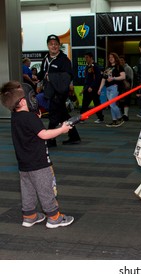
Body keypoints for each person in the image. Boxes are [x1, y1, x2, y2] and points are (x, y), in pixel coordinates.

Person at [0, 80, 74, 228]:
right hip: (39, 164)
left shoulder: (16, 117)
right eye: (31, 98)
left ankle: (29, 216)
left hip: (24, 165)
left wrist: (35, 118)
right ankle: (54, 217)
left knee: (28, 190)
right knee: (45, 189)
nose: (34, 100)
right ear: (22, 101)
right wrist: (62, 129)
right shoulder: (30, 118)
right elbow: (44, 134)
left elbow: (29, 130)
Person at [37, 34, 81, 147]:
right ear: (48, 46)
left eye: (56, 44)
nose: (53, 46)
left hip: (59, 93)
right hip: (49, 92)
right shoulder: (46, 59)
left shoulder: (64, 60)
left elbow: (67, 76)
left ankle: (50, 140)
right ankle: (74, 136)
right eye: (51, 44)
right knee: (63, 116)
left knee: (53, 116)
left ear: (59, 45)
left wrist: (51, 77)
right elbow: (42, 73)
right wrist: (37, 78)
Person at [98, 52, 125, 127]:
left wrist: (113, 78)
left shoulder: (119, 67)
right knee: (111, 104)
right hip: (108, 88)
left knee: (112, 104)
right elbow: (103, 79)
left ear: (115, 58)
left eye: (112, 57)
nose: (110, 59)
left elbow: (123, 76)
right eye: (109, 57)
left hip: (115, 87)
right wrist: (100, 89)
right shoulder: (107, 68)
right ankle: (114, 120)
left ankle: (120, 118)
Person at [81, 52, 104, 123]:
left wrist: (92, 86)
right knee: (85, 103)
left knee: (96, 103)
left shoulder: (95, 66)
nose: (86, 59)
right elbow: (87, 78)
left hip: (93, 88)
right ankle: (82, 118)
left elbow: (97, 78)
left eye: (87, 57)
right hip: (87, 88)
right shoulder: (87, 66)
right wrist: (84, 88)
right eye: (85, 57)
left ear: (91, 58)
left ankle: (100, 118)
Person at [119, 55, 134, 121]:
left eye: (122, 60)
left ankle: (126, 115)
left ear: (125, 61)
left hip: (126, 87)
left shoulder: (128, 68)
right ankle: (123, 114)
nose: (121, 61)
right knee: (121, 102)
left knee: (126, 101)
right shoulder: (118, 67)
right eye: (120, 60)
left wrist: (130, 88)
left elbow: (131, 78)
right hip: (120, 87)